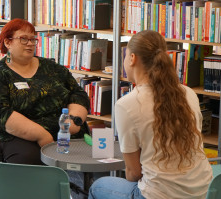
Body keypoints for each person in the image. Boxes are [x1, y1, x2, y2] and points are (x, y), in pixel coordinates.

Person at [89, 30, 212, 199]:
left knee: (98, 187)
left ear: (132, 58)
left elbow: (133, 173)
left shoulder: (126, 104)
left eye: (125, 56)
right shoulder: (188, 93)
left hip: (159, 195)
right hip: (203, 191)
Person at [0, 18, 90, 165]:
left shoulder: (52, 68)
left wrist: (74, 120)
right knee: (29, 158)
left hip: (63, 129)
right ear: (8, 42)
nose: (30, 43)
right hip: (20, 135)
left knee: (88, 150)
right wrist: (41, 135)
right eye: (23, 39)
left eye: (33, 39)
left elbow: (77, 93)